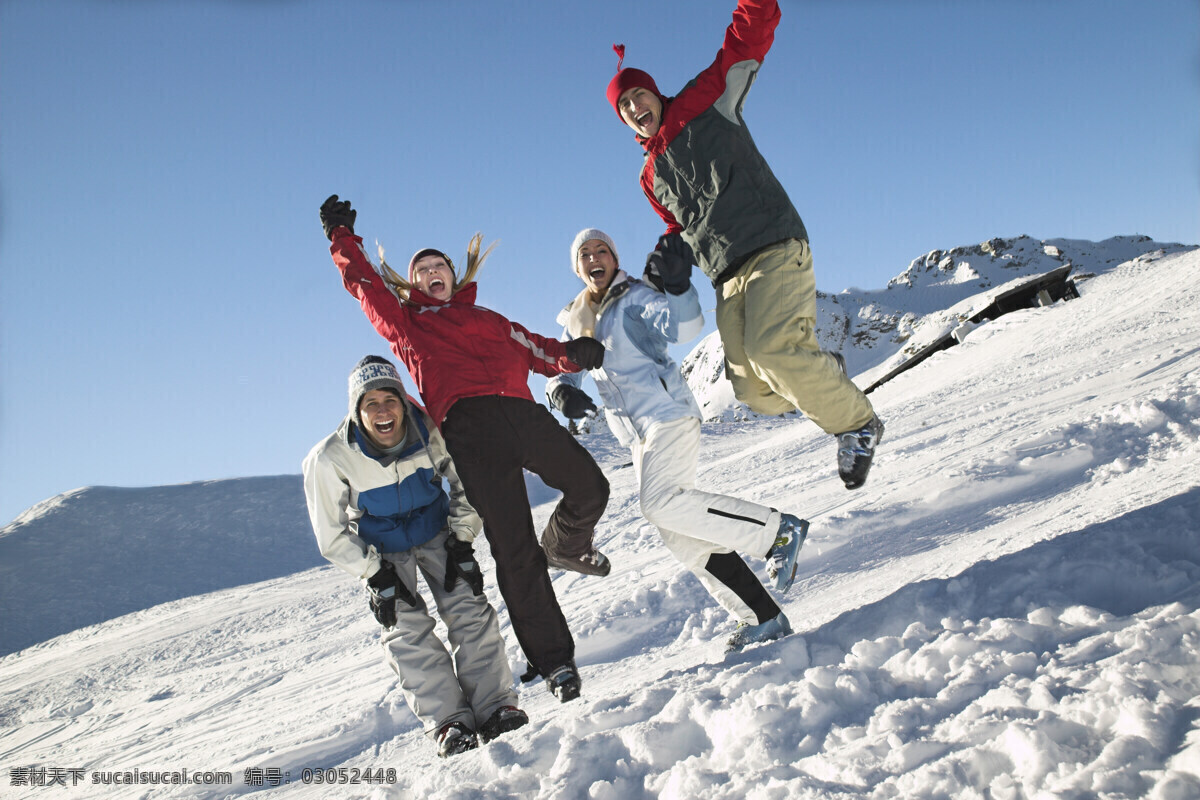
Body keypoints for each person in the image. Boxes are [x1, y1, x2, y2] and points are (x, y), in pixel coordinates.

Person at [318, 195, 610, 702]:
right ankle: (556, 663)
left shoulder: (492, 319)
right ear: (413, 283)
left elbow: (540, 349)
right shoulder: (408, 324)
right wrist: (342, 239)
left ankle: (565, 544)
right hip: (469, 433)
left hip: (522, 414)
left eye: (440, 267)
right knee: (514, 548)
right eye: (422, 269)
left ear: (454, 277)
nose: (432, 273)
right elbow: (365, 288)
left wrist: (571, 355)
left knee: (591, 486)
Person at [605, 0, 884, 490]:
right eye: (624, 107)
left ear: (655, 93)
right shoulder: (649, 177)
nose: (634, 107)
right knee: (752, 389)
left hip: (772, 242)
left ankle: (858, 426)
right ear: (623, 121)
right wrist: (667, 263)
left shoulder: (704, 100)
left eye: (638, 95)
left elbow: (746, 41)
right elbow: (678, 227)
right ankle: (823, 371)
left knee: (771, 351)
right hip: (726, 276)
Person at [547, 228, 808, 653]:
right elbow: (558, 364)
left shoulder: (633, 298)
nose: (595, 258)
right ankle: (763, 616)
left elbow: (683, 326)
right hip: (637, 437)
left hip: (667, 416)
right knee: (682, 536)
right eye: (586, 254)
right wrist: (561, 392)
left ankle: (778, 532)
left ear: (614, 258)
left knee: (659, 503)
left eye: (602, 250)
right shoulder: (576, 320)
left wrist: (679, 286)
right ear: (578, 268)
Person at [302, 356, 529, 757]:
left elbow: (468, 482)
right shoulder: (330, 457)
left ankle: (496, 708)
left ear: (403, 402)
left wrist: (461, 540)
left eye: (389, 399)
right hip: (383, 548)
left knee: (469, 608)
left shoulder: (431, 430)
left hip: (436, 530)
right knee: (405, 629)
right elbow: (330, 532)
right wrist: (374, 574)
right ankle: (449, 723)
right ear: (356, 411)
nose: (382, 411)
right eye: (370, 403)